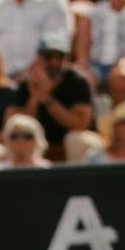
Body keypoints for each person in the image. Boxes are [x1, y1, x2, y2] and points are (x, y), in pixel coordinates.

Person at [10, 32, 97, 163]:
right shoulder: (26, 83)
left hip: (71, 145)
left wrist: (47, 99)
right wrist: (34, 98)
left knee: (75, 139)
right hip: (40, 145)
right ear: (39, 57)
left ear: (66, 59)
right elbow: (14, 125)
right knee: (21, 139)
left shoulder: (78, 82)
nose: (54, 62)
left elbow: (80, 124)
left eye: (59, 57)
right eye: (48, 56)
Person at [0, 0, 72, 79]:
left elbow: (57, 45)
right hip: (0, 83)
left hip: (41, 80)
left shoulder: (55, 2)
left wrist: (26, 76)